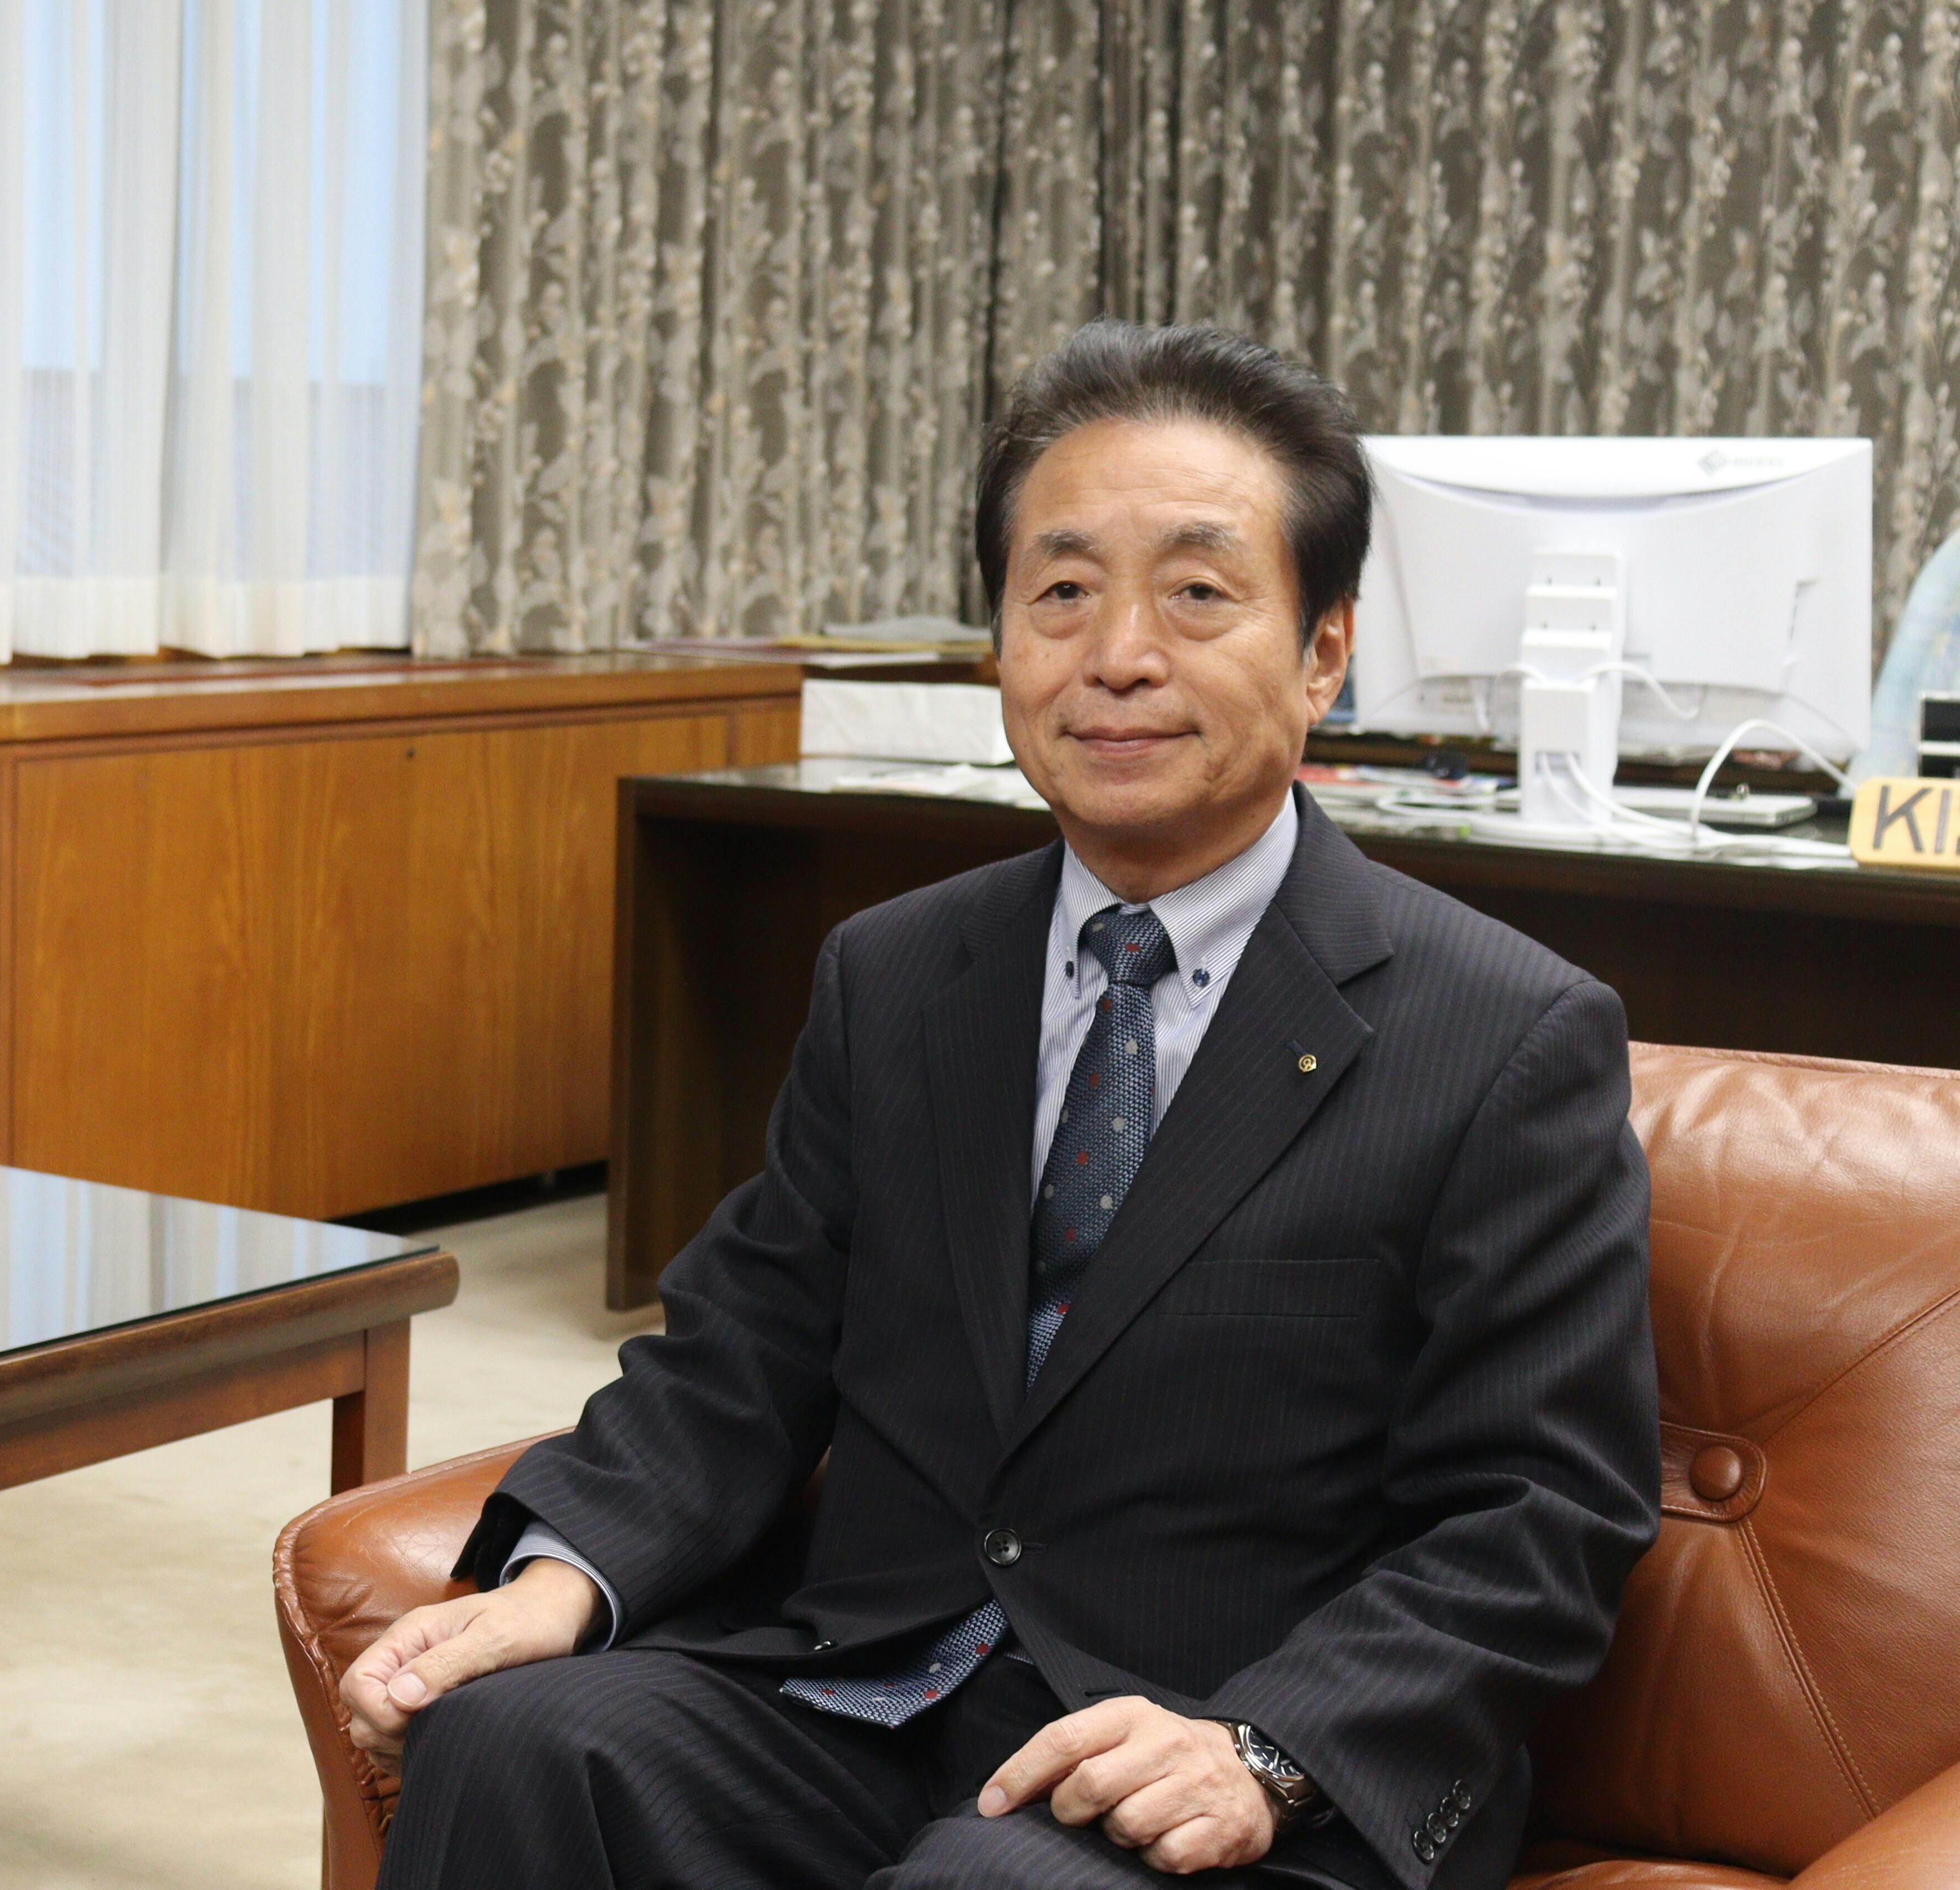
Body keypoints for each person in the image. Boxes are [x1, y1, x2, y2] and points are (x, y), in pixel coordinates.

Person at [341, 321, 1661, 1890]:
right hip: (869, 1686)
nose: (1118, 656)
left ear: (1324, 654)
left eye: (1198, 593)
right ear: (1001, 648)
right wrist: (561, 1581)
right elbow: (747, 1349)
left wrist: (1268, 1749)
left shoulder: (1504, 1032)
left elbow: (1539, 1510)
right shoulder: (897, 972)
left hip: (1208, 1742)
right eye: (1062, 593)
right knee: (515, 1740)